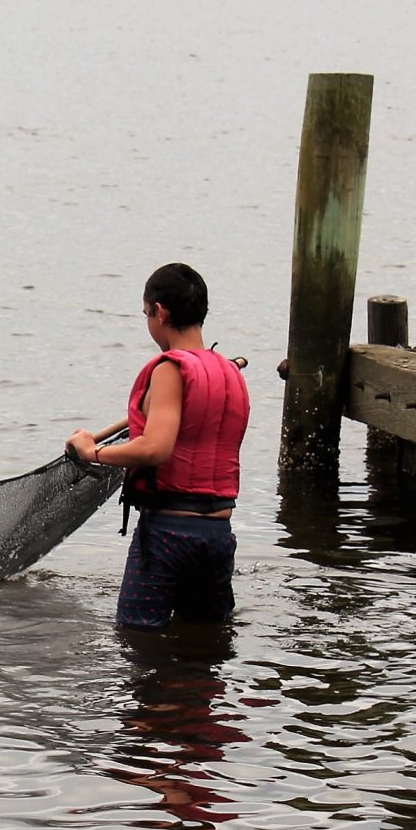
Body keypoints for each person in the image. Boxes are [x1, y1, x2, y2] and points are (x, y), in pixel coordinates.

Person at [67, 263, 250, 629]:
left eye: (147, 314)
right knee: (205, 642)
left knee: (137, 639)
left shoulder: (169, 370)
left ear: (160, 313)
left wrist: (93, 453)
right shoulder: (229, 372)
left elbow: (155, 448)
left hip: (170, 535)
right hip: (217, 534)